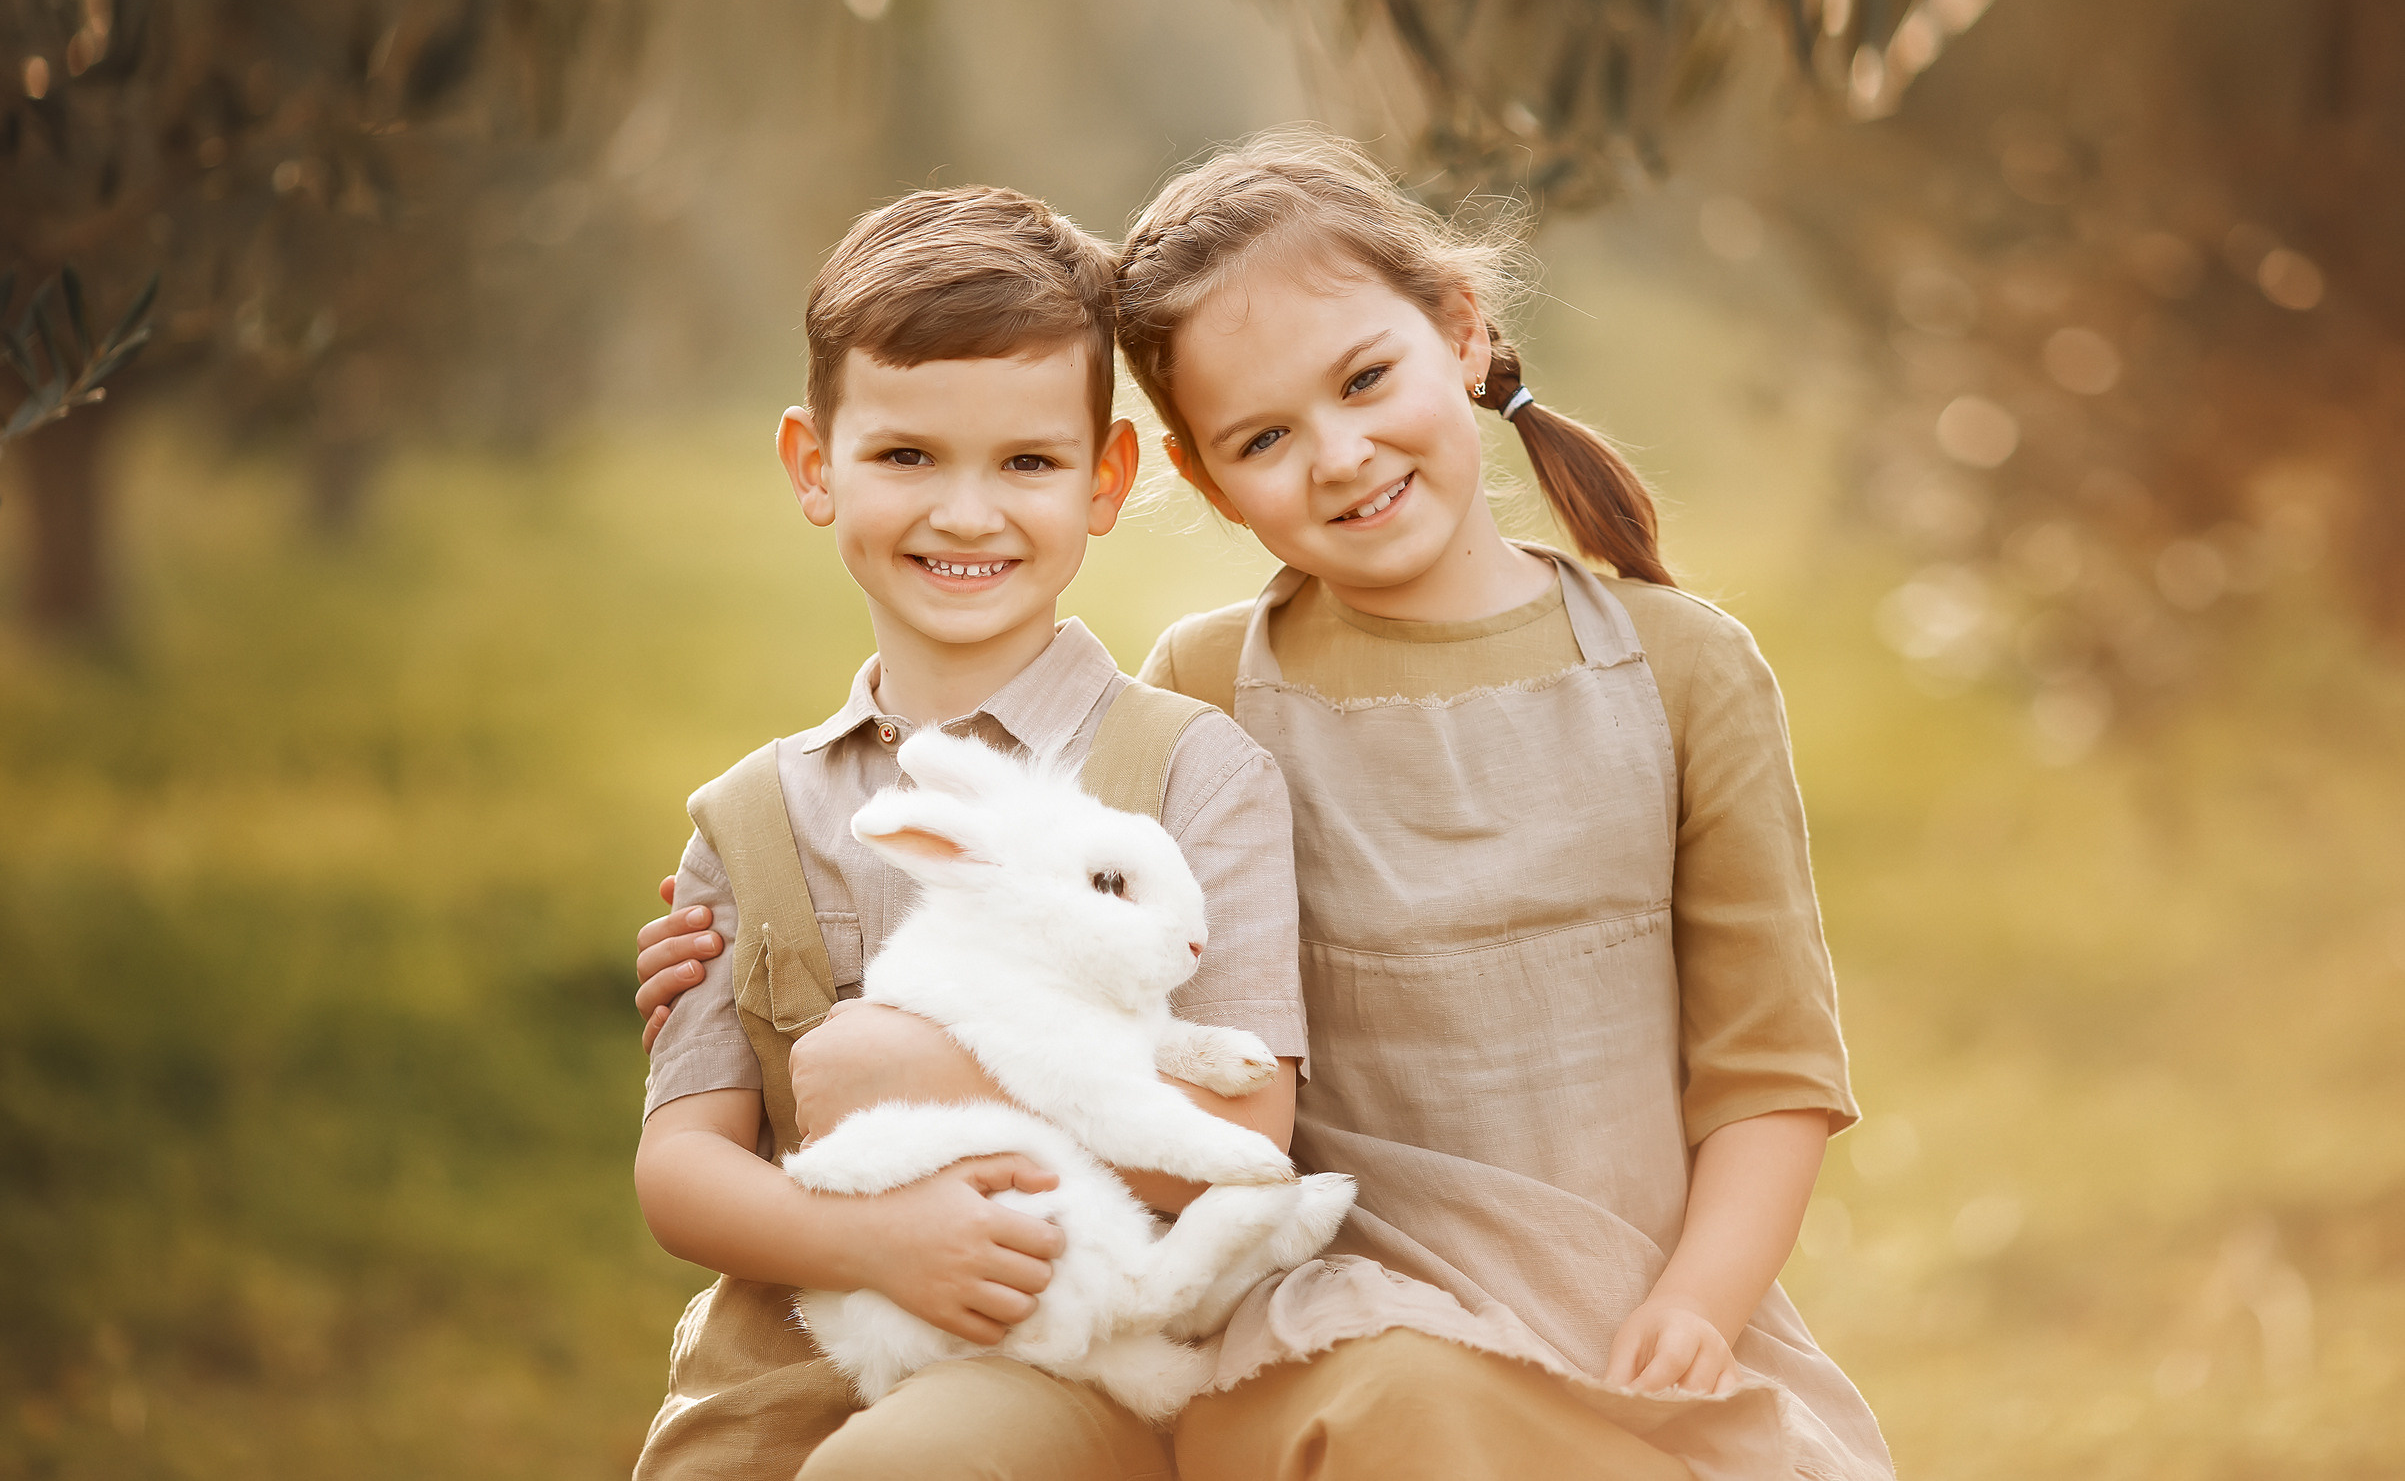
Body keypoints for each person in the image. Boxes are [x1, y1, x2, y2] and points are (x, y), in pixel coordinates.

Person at [639, 131, 1892, 1481]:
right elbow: (1064, 924)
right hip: (1331, 1313)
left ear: (1462, 331)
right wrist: (749, 937)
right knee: (1379, 1407)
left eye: (1365, 378)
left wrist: (1697, 1303)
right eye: (1264, 438)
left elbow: (1767, 1069)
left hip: (1621, 1299)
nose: (1341, 455)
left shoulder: (1679, 668)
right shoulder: (1209, 687)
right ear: (1204, 480)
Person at [629, 184, 1306, 1481]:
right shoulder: (753, 818)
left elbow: (1243, 1134)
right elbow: (683, 1168)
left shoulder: (1189, 775)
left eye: (1027, 464)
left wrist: (884, 1069)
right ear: (813, 465)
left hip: (1070, 1359)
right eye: (906, 457)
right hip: (785, 1366)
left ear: (1106, 479)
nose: (966, 513)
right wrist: (868, 1243)